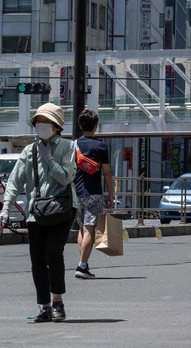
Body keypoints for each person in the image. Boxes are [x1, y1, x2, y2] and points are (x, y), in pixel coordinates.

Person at [0, 104, 75, 322]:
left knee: (54, 252)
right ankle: (44, 306)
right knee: (37, 259)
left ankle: (58, 301)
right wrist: (6, 208)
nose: (41, 126)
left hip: (63, 207)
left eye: (46, 123)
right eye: (38, 123)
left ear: (57, 126)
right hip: (36, 210)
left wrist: (49, 158)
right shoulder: (28, 151)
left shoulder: (68, 147)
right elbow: (15, 180)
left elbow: (66, 178)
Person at [72, 109, 114, 280]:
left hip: (77, 192)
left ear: (80, 126)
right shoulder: (101, 146)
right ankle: (82, 266)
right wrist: (111, 193)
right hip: (94, 192)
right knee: (90, 228)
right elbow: (107, 172)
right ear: (96, 126)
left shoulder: (74, 145)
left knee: (82, 228)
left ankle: (84, 263)